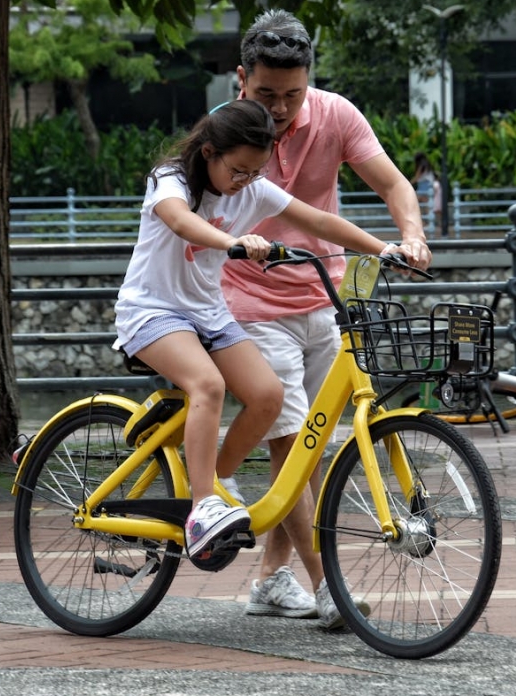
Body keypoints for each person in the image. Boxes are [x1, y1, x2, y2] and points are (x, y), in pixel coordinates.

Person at [112, 99, 402, 564]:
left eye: (255, 172)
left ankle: (217, 480)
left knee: (268, 396)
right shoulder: (171, 179)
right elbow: (179, 220)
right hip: (152, 310)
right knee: (208, 384)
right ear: (209, 152)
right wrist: (233, 242)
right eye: (239, 171)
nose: (245, 182)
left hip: (207, 312)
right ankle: (202, 508)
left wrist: (385, 248)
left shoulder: (254, 189)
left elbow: (320, 221)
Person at [217, 9, 432, 630]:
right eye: (266, 95)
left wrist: (410, 236)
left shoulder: (336, 115)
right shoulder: (225, 130)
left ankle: (268, 581)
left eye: (292, 94)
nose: (280, 108)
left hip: (324, 299)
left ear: (309, 81)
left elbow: (393, 183)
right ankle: (327, 584)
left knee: (308, 453)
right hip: (249, 304)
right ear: (241, 79)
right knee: (292, 443)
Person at [410, 152, 443, 237]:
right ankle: (428, 223)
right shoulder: (427, 164)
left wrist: (408, 183)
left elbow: (417, 177)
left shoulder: (421, 165)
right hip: (427, 185)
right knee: (426, 205)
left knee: (413, 203)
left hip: (424, 186)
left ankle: (426, 223)